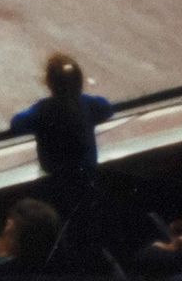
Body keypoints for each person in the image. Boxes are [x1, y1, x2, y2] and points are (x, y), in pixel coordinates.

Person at [10, 53, 115, 204]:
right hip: (87, 177)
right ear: (79, 83)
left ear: (50, 84)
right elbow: (107, 108)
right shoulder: (89, 104)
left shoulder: (42, 110)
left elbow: (16, 124)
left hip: (55, 179)